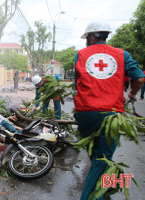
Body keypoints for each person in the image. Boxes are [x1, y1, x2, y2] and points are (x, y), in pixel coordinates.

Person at [74, 20, 145, 200]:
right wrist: (132, 94)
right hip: (112, 115)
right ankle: (92, 196)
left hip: (85, 113)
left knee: (96, 154)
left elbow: (77, 84)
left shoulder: (80, 55)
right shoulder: (122, 55)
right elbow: (139, 78)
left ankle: (104, 188)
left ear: (90, 36)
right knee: (103, 158)